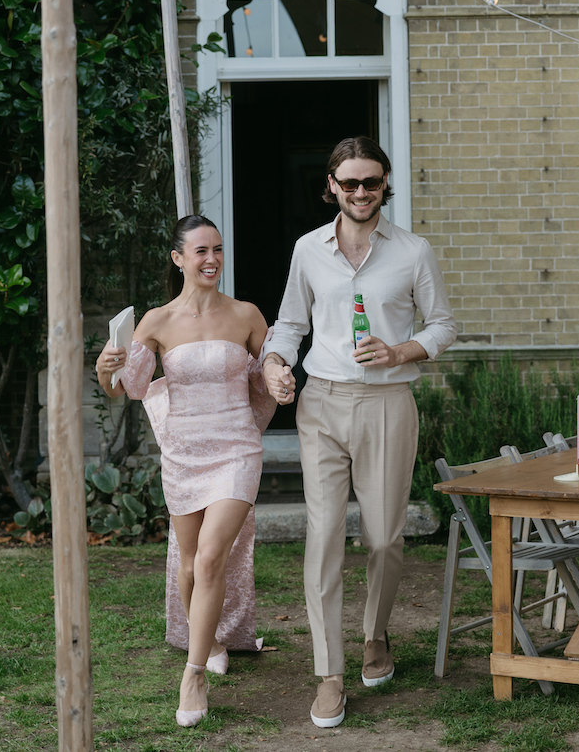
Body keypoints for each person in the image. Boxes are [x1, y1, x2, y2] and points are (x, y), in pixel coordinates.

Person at [263, 136, 456, 728]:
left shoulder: (413, 251)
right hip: (320, 404)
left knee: (383, 539)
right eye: (349, 183)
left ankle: (376, 634)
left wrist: (401, 350)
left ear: (385, 183)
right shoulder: (308, 250)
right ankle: (329, 674)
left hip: (388, 403)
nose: (361, 192)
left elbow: (445, 324)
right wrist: (275, 364)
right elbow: (289, 323)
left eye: (371, 182)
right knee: (322, 537)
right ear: (332, 187)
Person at [96, 215, 277, 727]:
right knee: (192, 565)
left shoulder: (246, 314)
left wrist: (282, 379)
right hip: (183, 452)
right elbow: (126, 389)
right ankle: (213, 638)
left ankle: (193, 673)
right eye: (200, 251)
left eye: (217, 250)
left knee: (214, 555)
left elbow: (271, 371)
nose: (212, 260)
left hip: (236, 447)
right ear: (178, 259)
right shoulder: (154, 321)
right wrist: (105, 369)